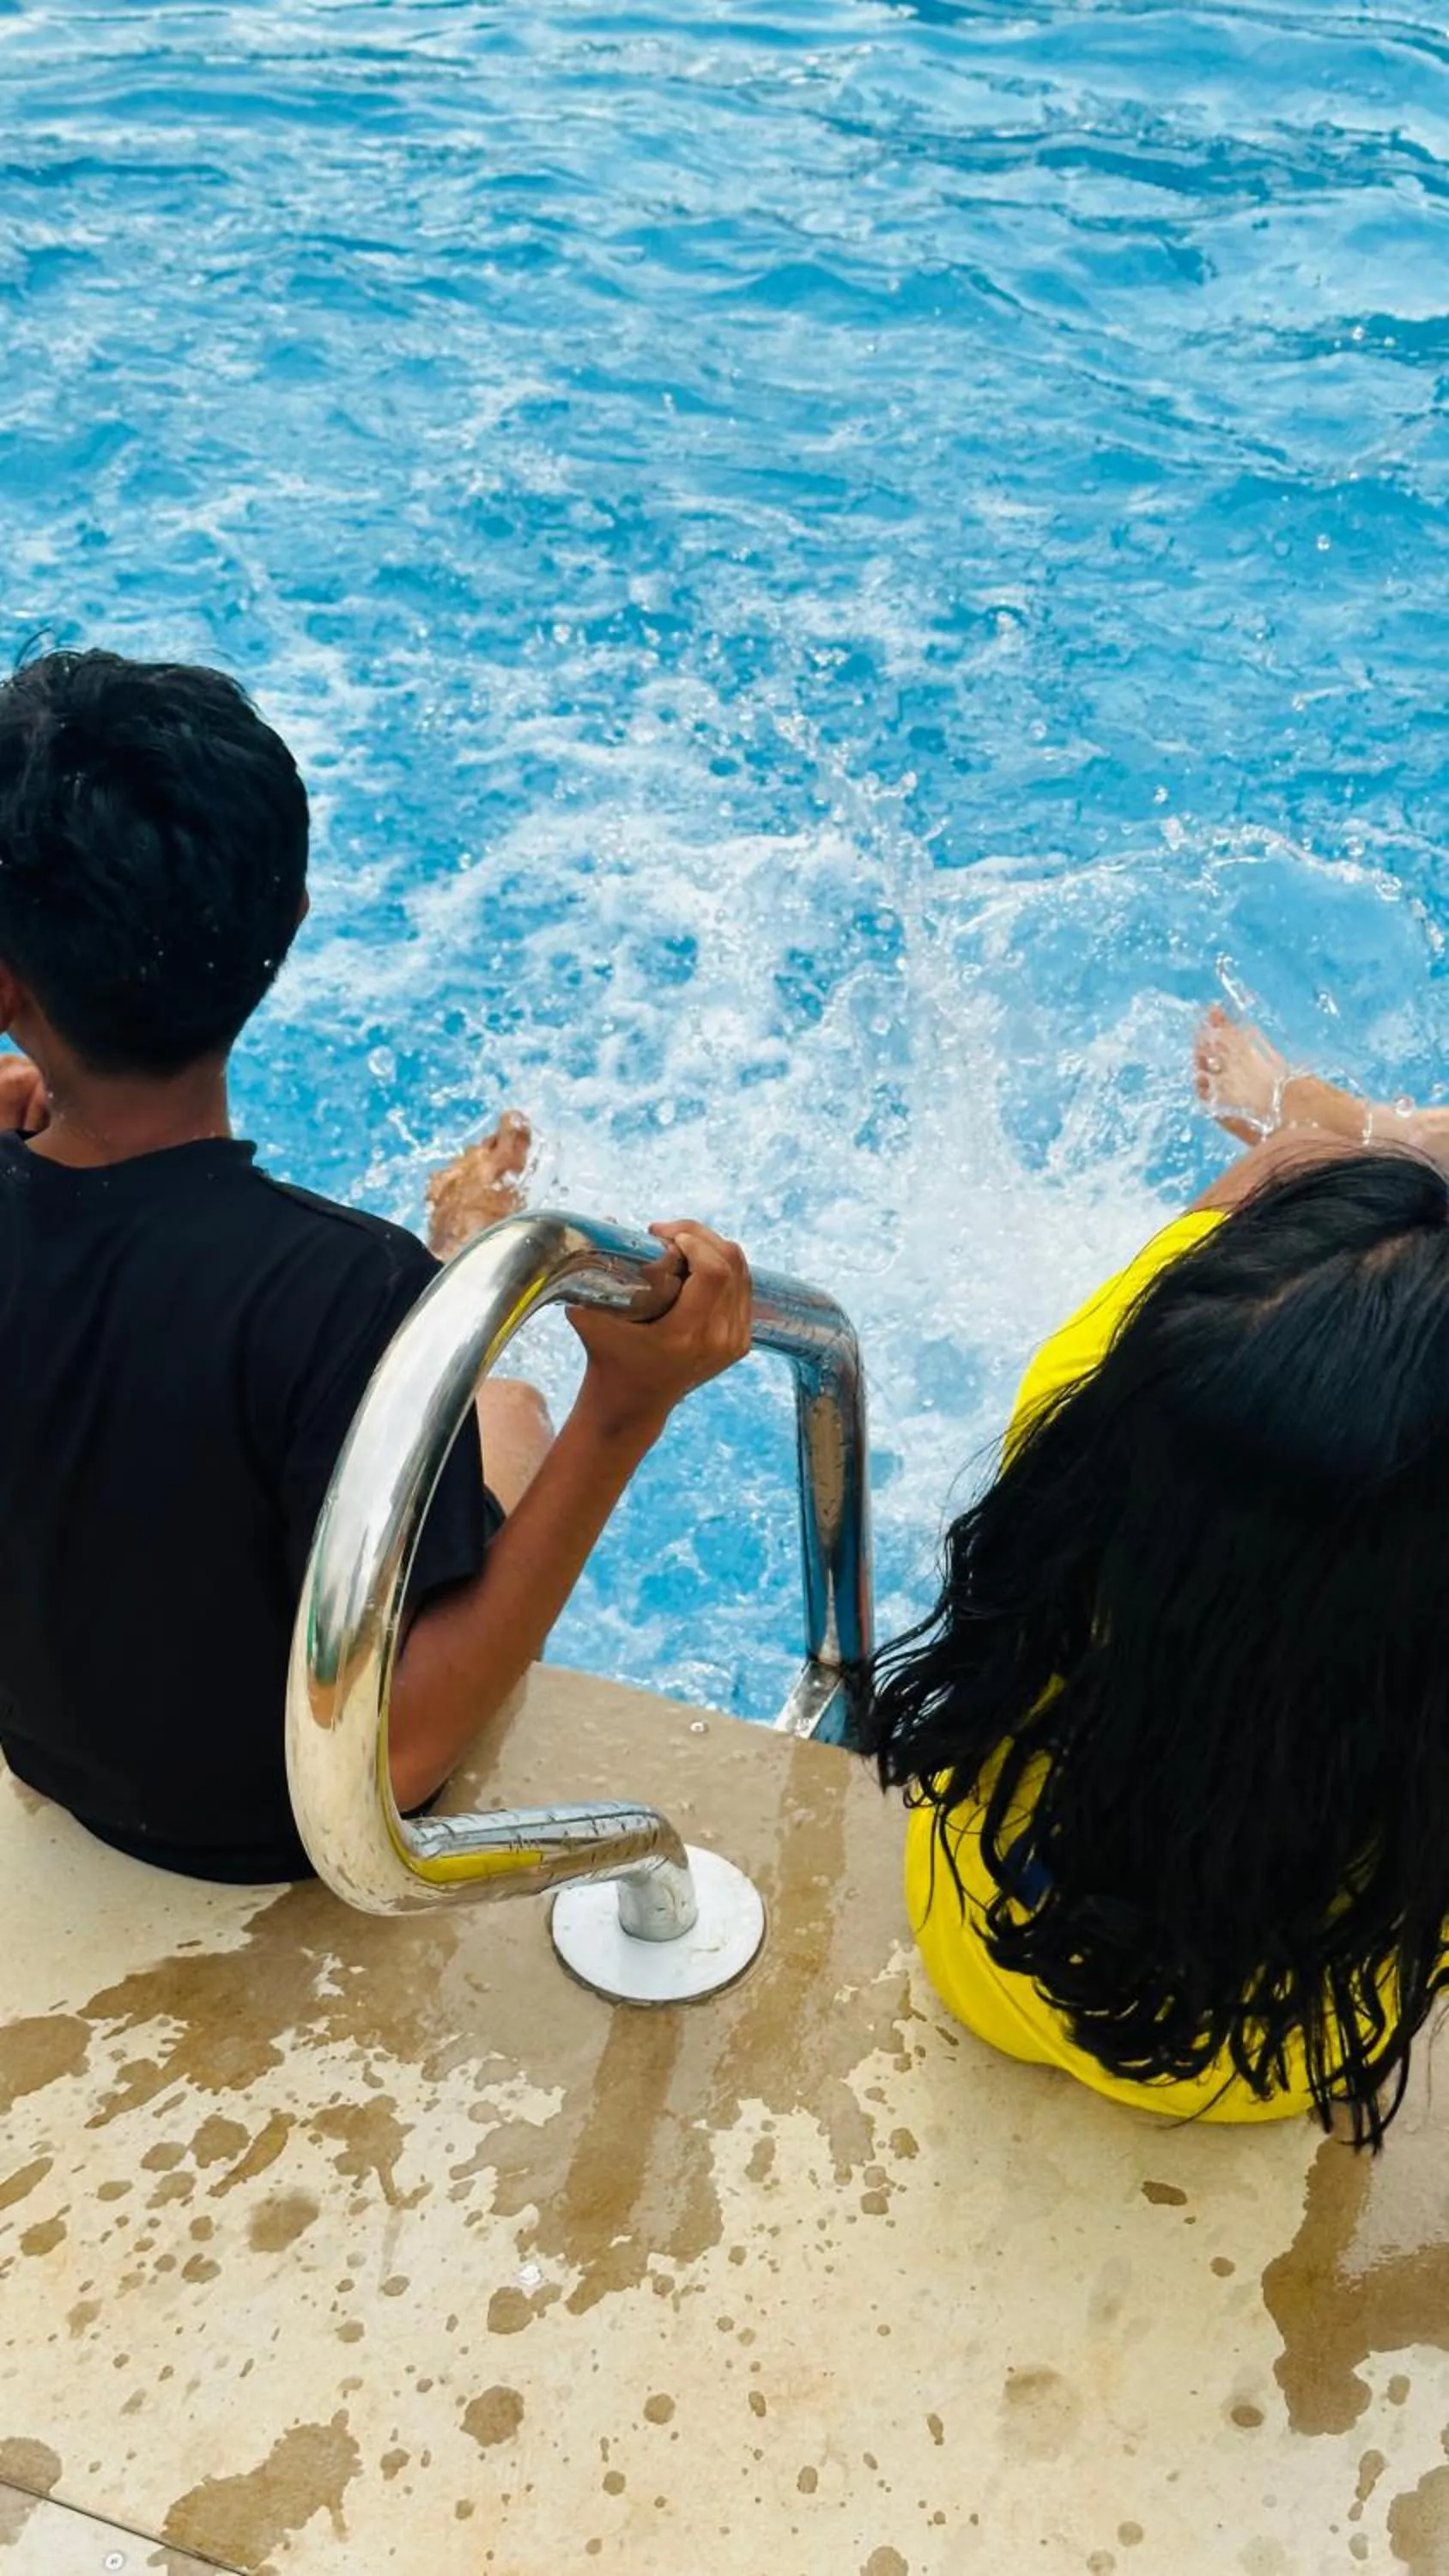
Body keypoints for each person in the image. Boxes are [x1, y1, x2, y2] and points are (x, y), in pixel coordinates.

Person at [0, 648, 751, 1884]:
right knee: (491, 1407)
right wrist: (627, 1408)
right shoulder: (335, 1293)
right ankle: (476, 1244)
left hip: (56, 1758)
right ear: (289, 921)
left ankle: (471, 1257)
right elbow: (397, 1751)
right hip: (269, 1830)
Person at [864, 1005, 1449, 2147]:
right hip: (1265, 2059)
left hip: (981, 1954)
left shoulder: (1075, 1409)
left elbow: (1252, 1205)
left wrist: (1325, 1150)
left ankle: (1361, 1126)